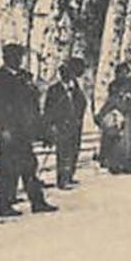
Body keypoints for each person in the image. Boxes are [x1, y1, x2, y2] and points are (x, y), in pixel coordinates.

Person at [0, 43, 57, 216]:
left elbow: (33, 107)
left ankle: (37, 202)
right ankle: (4, 205)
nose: (18, 60)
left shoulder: (24, 78)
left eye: (20, 57)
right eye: (15, 57)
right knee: (7, 169)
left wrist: (42, 132)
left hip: (24, 131)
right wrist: (3, 130)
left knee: (30, 166)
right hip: (8, 132)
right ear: (6, 58)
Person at [41, 58, 87, 189]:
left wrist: (79, 117)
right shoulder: (54, 90)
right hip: (61, 125)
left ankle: (70, 176)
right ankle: (62, 180)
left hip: (75, 124)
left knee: (74, 150)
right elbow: (48, 110)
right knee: (63, 153)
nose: (68, 76)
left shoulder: (76, 88)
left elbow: (82, 103)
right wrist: (50, 126)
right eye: (65, 73)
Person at [95, 70, 131, 175]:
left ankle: (127, 164)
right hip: (117, 124)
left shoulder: (129, 99)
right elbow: (105, 109)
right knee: (117, 145)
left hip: (128, 123)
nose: (124, 91)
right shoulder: (114, 99)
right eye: (123, 89)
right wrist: (100, 118)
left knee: (128, 145)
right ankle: (115, 165)